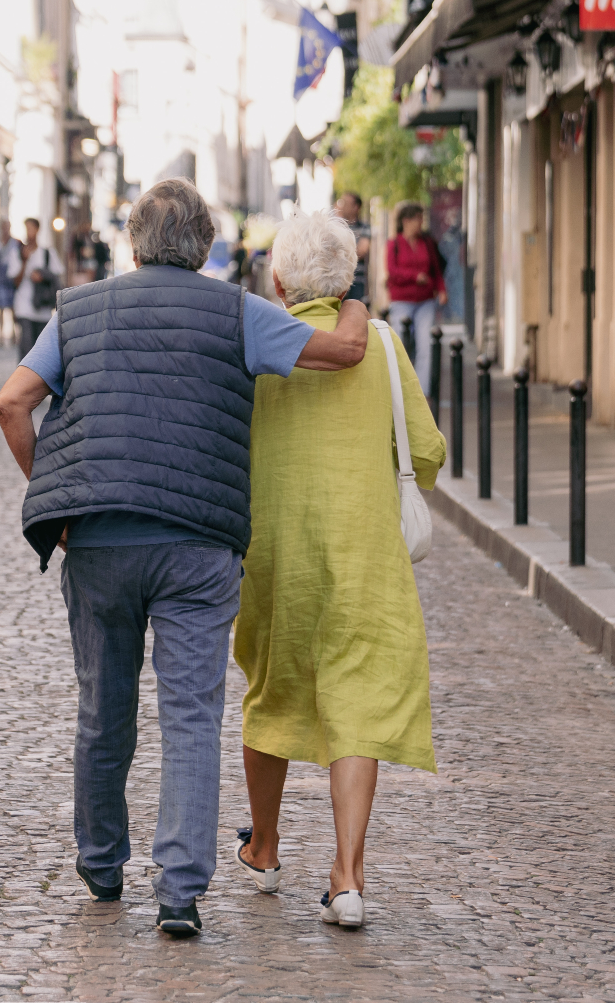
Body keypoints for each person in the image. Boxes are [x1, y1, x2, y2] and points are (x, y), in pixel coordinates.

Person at [0, 178, 370, 936]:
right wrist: (353, 301)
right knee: (193, 714)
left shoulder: (78, 309)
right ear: (206, 247)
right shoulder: (238, 311)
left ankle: (102, 864)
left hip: (99, 540)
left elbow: (11, 402)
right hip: (199, 543)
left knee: (103, 708)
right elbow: (344, 351)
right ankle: (180, 891)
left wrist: (54, 496)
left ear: (134, 245)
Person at [233, 210, 446, 929]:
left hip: (276, 552)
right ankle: (348, 877)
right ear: (349, 278)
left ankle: (264, 849)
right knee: (357, 700)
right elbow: (426, 452)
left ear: (279, 280)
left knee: (272, 688)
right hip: (363, 552)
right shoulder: (380, 344)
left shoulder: (259, 347)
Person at [386, 202, 447, 392]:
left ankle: (422, 392)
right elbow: (392, 272)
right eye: (418, 219)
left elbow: (436, 270)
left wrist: (442, 290)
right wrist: (414, 276)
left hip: (425, 301)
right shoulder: (394, 244)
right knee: (401, 346)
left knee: (425, 346)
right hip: (401, 302)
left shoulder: (426, 243)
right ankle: (401, 390)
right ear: (406, 221)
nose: (421, 223)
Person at [12, 217, 64, 358]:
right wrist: (24, 261)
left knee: (41, 351)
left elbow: (57, 276)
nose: (28, 232)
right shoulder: (17, 253)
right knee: (26, 347)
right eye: (26, 229)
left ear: (37, 230)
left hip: (43, 307)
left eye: (31, 229)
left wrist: (42, 276)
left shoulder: (47, 253)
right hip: (24, 307)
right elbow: (15, 282)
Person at [0, 220, 22, 347]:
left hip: (12, 277)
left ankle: (14, 334)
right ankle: (1, 336)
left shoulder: (16, 243)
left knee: (13, 307)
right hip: (0, 276)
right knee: (1, 308)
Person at [334, 192, 370, 303]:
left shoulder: (364, 227)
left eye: (345, 203)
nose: (342, 206)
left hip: (357, 280)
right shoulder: (335, 227)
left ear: (356, 207)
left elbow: (361, 252)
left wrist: (339, 251)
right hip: (336, 279)